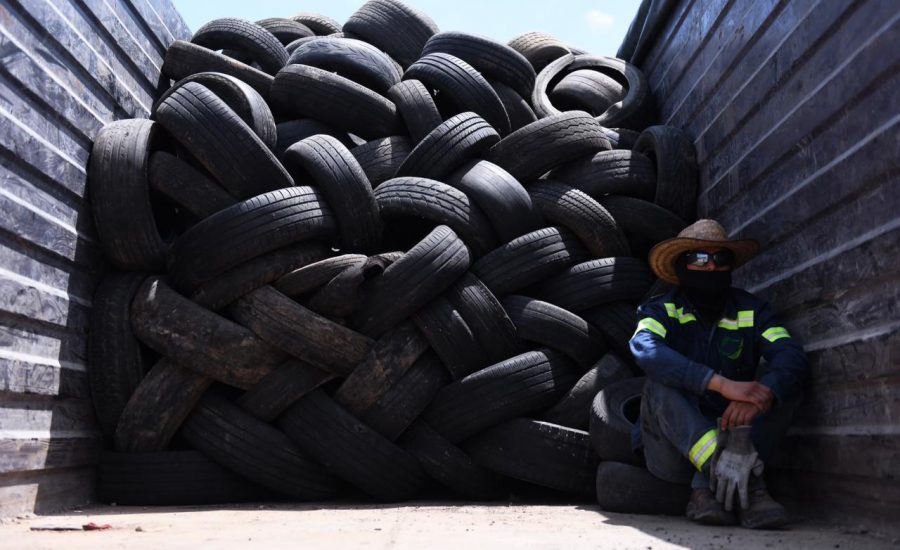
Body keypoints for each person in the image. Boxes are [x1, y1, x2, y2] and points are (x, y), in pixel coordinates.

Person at [628, 219, 809, 529]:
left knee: (784, 386)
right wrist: (719, 384)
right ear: (682, 266)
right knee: (657, 384)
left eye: (720, 259)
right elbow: (644, 348)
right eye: (699, 259)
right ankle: (747, 486)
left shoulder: (753, 312)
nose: (711, 267)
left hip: (741, 439)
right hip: (674, 450)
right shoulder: (659, 311)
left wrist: (761, 395)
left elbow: (790, 355)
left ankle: (706, 489)